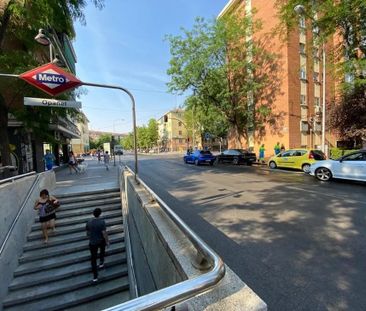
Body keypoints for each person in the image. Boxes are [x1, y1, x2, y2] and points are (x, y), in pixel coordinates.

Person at [86, 208, 109, 282]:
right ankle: (101, 262)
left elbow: (87, 233)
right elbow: (104, 233)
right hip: (101, 240)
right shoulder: (102, 222)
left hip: (92, 242)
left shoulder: (89, 222)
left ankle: (95, 276)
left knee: (93, 259)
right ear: (100, 214)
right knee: (102, 251)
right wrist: (107, 241)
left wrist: (91, 237)